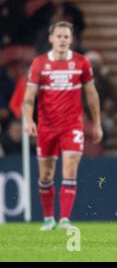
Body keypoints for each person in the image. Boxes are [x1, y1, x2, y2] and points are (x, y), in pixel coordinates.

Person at [23, 21, 103, 231]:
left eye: (66, 37)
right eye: (59, 36)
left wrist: (97, 123)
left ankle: (65, 220)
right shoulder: (39, 64)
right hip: (47, 127)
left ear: (71, 39)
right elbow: (29, 96)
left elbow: (91, 94)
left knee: (69, 170)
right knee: (46, 175)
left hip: (72, 126)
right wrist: (29, 120)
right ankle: (49, 218)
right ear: (51, 39)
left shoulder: (81, 63)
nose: (62, 40)